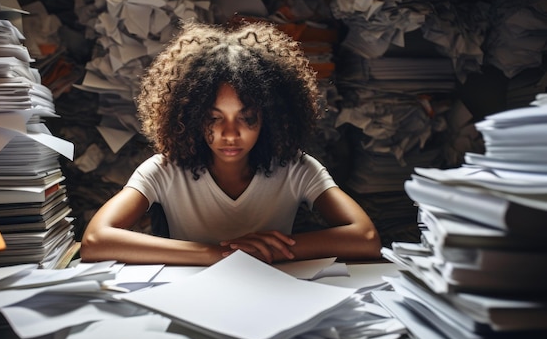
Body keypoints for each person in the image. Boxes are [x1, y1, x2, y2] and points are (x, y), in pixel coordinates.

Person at [81, 20, 381, 265]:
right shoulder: (165, 169)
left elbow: (366, 238)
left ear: (270, 118)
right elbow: (95, 240)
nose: (230, 134)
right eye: (214, 118)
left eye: (247, 117)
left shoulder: (295, 168)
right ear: (192, 117)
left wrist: (268, 251)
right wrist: (218, 254)